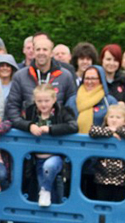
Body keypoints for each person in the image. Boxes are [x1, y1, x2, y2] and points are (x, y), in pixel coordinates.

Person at [12, 83, 78, 214]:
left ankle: (45, 190)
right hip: (36, 158)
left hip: (56, 157)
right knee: (43, 196)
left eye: (47, 101)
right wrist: (29, 125)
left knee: (50, 171)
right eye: (39, 101)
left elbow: (73, 126)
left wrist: (51, 129)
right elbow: (16, 121)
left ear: (54, 100)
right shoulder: (31, 111)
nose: (43, 104)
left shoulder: (62, 111)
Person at [5, 34, 76, 124]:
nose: (41, 52)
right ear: (34, 52)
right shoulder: (20, 76)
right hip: (27, 134)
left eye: (45, 49)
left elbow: (71, 107)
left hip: (56, 134)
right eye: (38, 49)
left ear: (51, 54)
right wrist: (27, 126)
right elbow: (12, 106)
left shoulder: (65, 76)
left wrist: (58, 128)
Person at [66, 65, 117, 134]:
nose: (90, 82)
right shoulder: (72, 100)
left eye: (93, 78)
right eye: (87, 78)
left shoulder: (110, 101)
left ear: (101, 80)